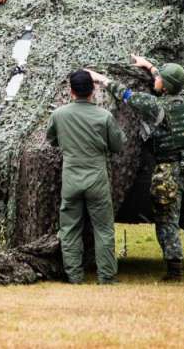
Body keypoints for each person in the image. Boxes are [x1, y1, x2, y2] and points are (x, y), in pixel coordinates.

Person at [87, 57, 184, 282]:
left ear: (165, 86)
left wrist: (100, 79)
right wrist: (149, 66)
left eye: (159, 78)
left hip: (169, 170)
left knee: (167, 220)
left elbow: (127, 95)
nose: (155, 79)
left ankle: (174, 271)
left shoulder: (157, 106)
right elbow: (169, 79)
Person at [46, 70, 125, 284]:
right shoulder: (104, 116)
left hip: (71, 178)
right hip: (97, 179)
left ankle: (74, 276)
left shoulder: (59, 115)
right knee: (103, 229)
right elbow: (118, 146)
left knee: (70, 229)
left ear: (71, 91)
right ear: (93, 90)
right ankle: (106, 277)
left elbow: (51, 140)